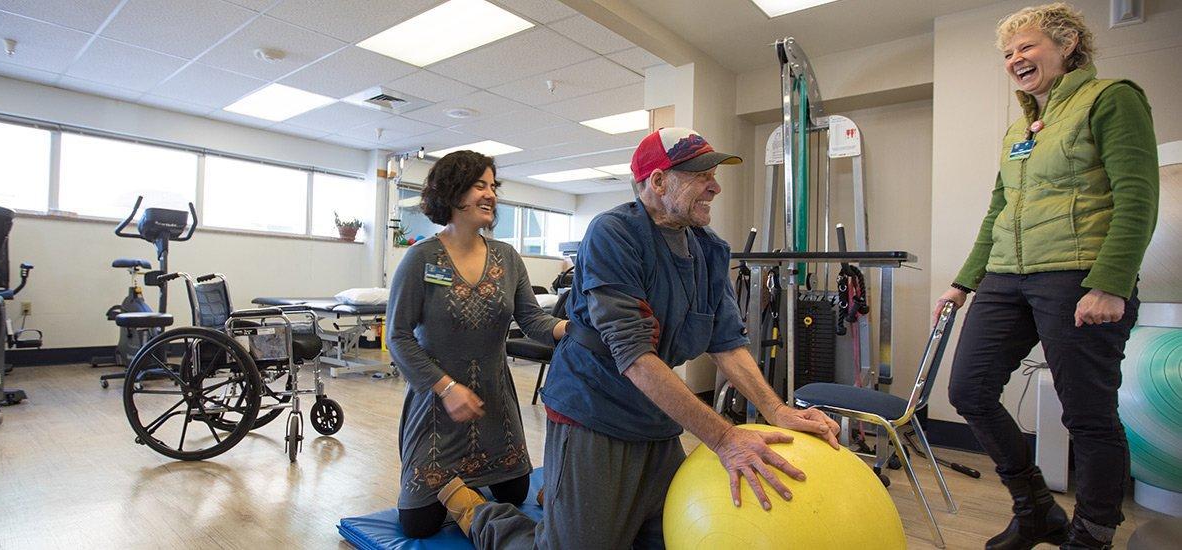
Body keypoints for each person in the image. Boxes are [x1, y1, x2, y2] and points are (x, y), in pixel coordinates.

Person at [436, 128, 841, 548]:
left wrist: (774, 409)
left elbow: (727, 342)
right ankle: (480, 513)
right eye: (701, 174)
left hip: (655, 419)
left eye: (714, 174)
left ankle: (565, 498)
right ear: (659, 181)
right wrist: (724, 437)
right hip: (594, 410)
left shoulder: (710, 250)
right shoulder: (613, 234)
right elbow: (634, 355)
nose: (715, 186)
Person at [935, 4, 1159, 549]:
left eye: (1027, 47)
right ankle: (1034, 508)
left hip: (1078, 274)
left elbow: (1138, 195)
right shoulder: (1018, 129)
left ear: (1068, 45)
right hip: (1008, 276)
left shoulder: (1111, 98)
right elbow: (998, 211)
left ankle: (1092, 535)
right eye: (1008, 53)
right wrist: (964, 282)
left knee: (1087, 413)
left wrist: (1110, 281)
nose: (1015, 59)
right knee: (970, 389)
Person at [386, 150, 568, 538]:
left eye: (492, 186)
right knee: (418, 526)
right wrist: (447, 388)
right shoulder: (420, 259)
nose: (490, 195)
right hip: (438, 406)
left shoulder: (507, 257)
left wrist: (572, 328)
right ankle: (455, 491)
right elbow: (397, 337)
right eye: (478, 185)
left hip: (494, 404)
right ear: (452, 194)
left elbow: (533, 320)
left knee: (516, 492)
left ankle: (465, 496)